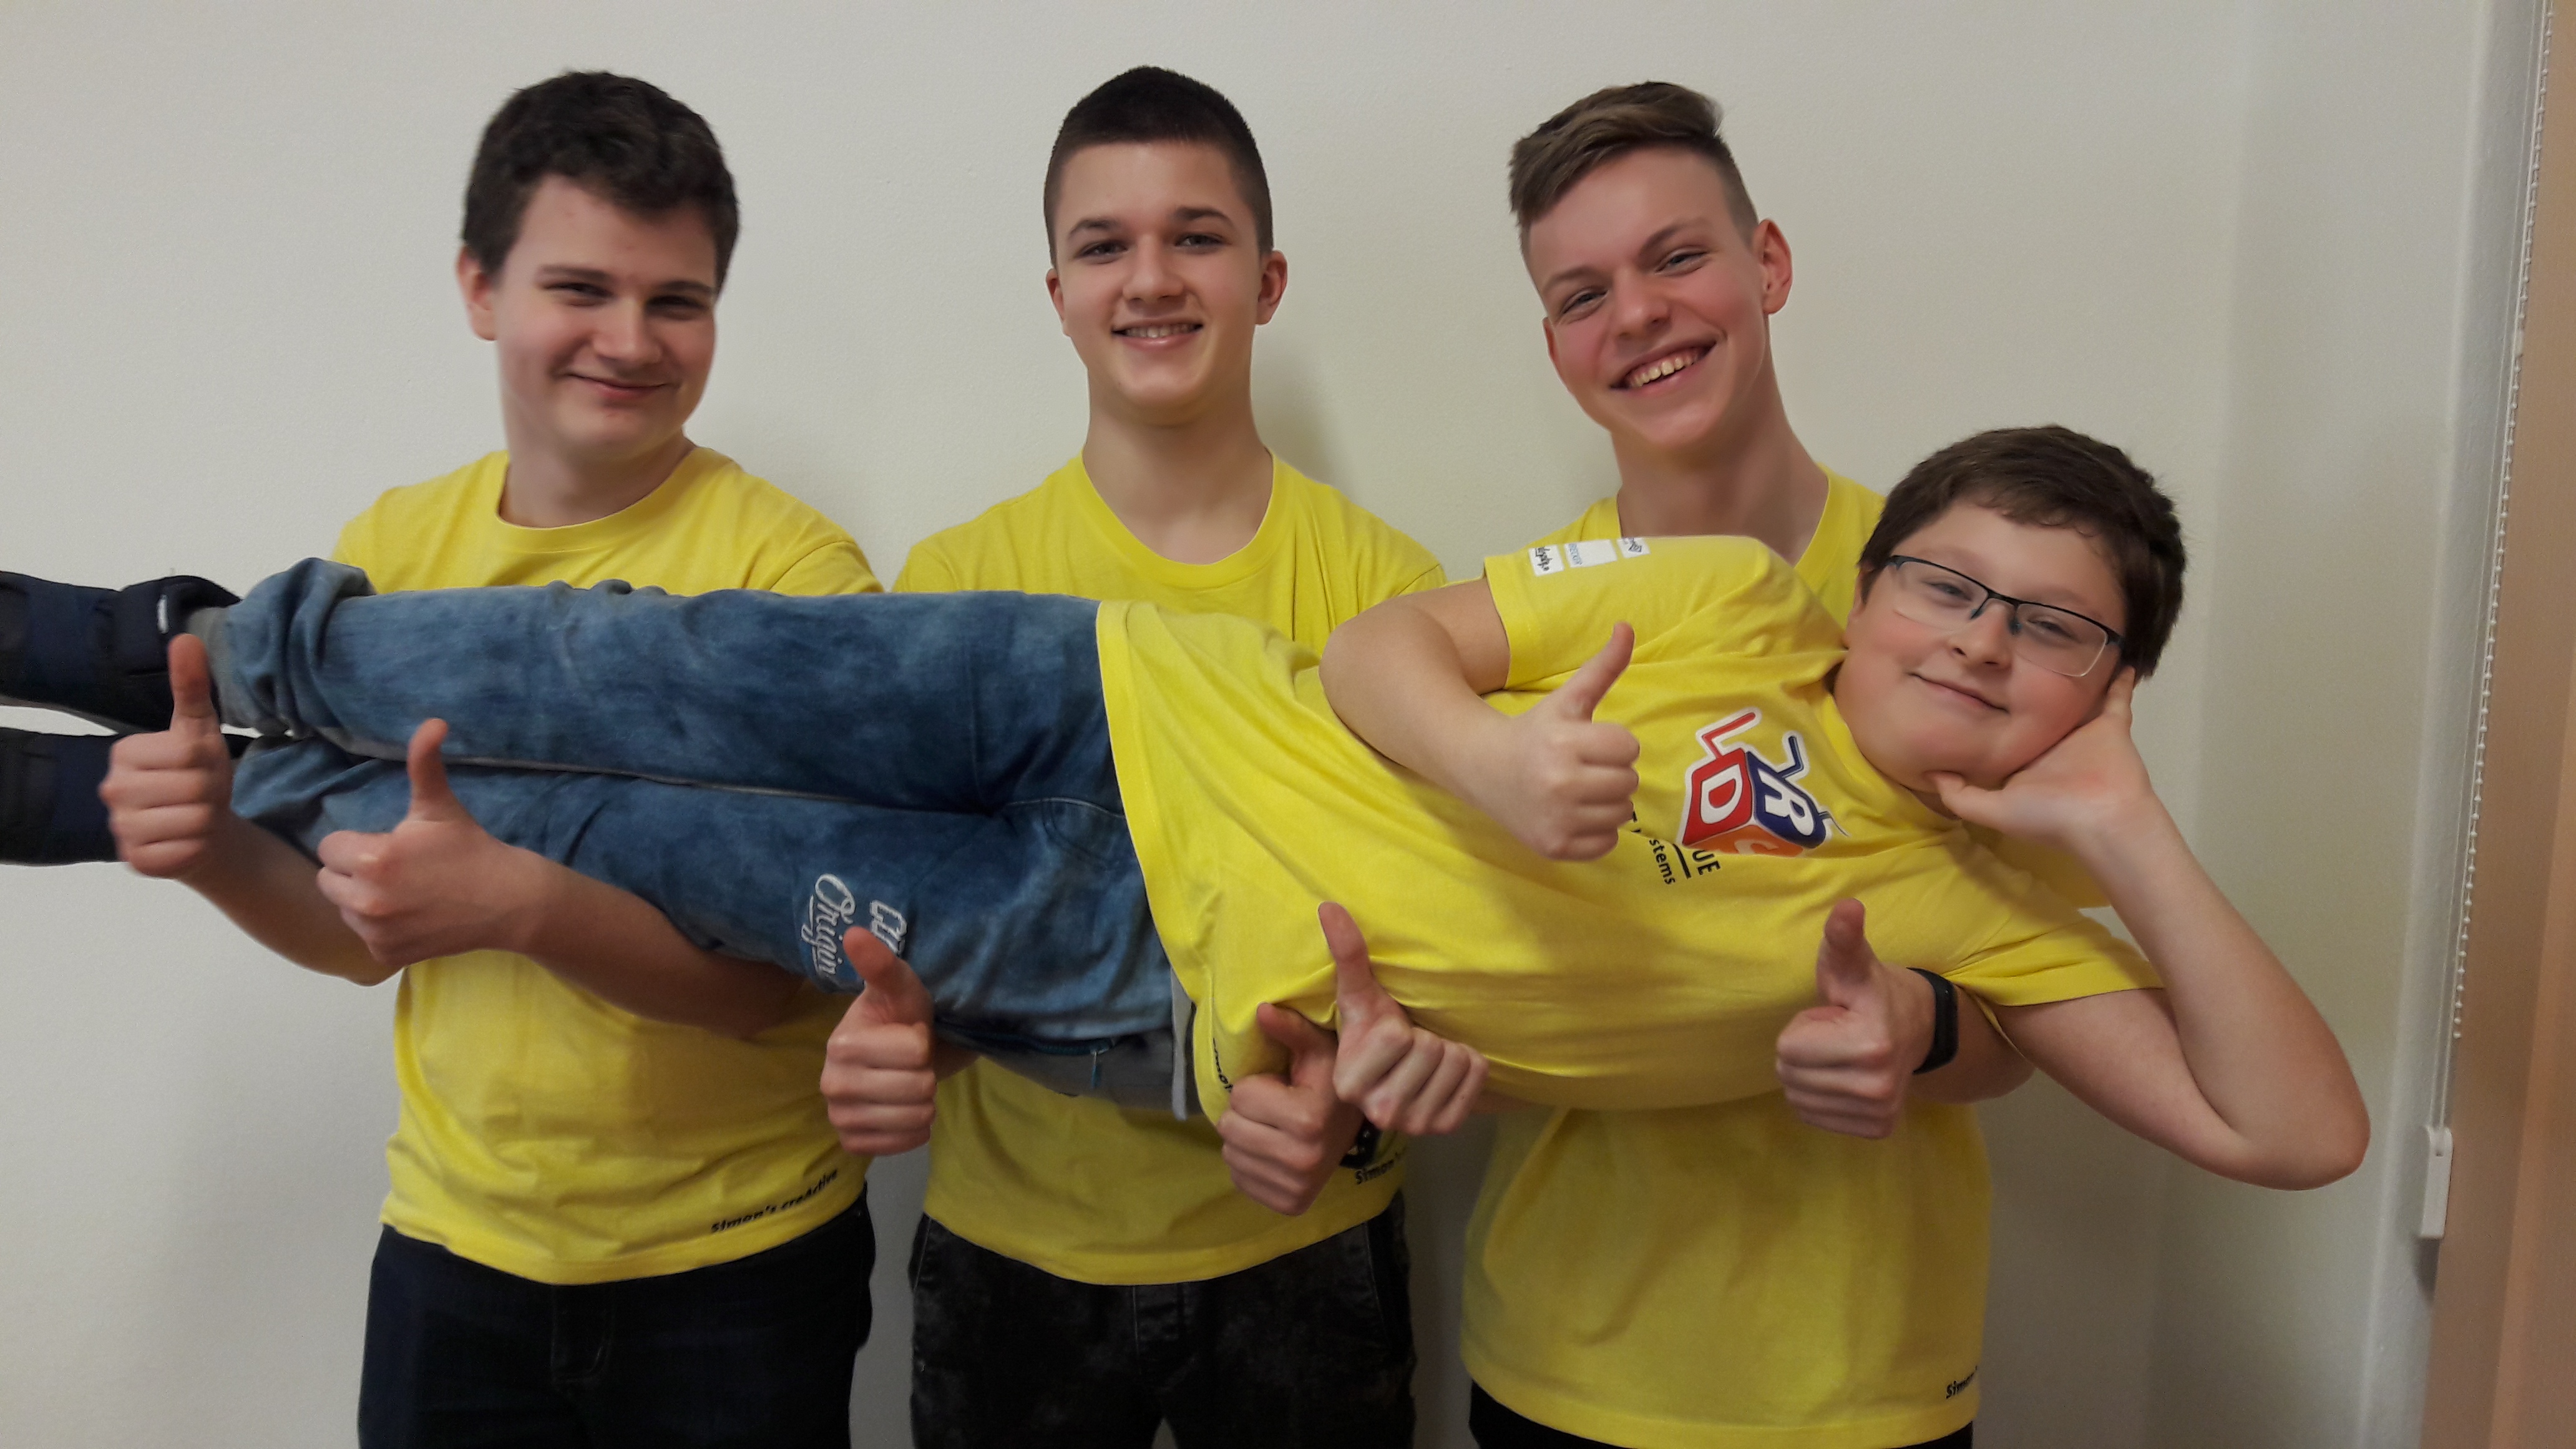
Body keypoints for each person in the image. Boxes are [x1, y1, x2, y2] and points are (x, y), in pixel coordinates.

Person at [0, 426, 2367, 1190]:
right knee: (634, 666)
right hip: (1112, 694)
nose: (1978, 640)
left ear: (2107, 685)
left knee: (630, 843)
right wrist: (1484, 755)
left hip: (1137, 957)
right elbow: (1397, 643)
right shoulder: (1732, 599)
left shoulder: (1990, 921)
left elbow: (2290, 1136)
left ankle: (131, 793)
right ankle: (164, 644)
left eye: (2051, 629)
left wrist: (2123, 832)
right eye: (1948, 581)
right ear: (1872, 579)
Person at [0, 72, 884, 1447]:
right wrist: (218, 847)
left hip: (739, 1268)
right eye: (580, 288)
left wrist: (524, 904)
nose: (630, 339)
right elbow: (363, 935)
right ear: (480, 286)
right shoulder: (395, 552)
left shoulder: (798, 574)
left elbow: (784, 984)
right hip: (454, 1252)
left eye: (678, 300)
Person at [842, 67, 1441, 1448]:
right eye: (1105, 245)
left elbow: (1437, 939)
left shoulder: (1393, 597)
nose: (1152, 278)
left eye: (1198, 236)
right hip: (1011, 1258)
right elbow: (909, 926)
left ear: (1268, 280)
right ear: (1057, 291)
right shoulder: (954, 588)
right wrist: (890, 1034)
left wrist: (1352, 1090)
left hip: (1310, 1248)